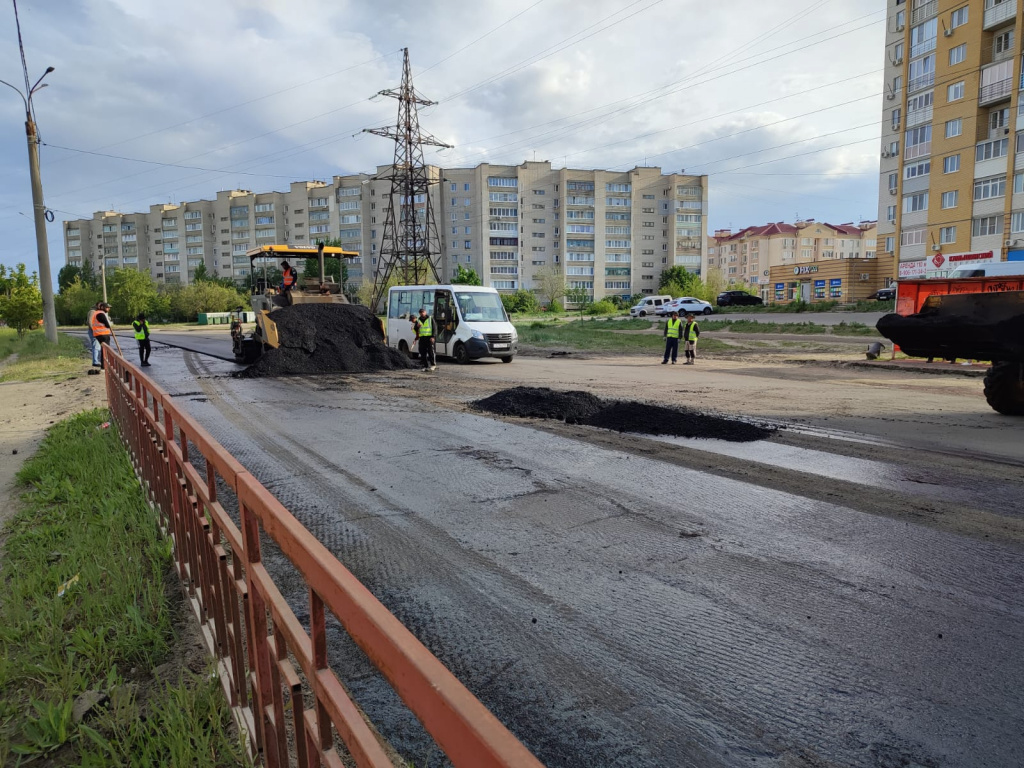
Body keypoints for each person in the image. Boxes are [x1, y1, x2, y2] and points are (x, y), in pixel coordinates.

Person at [413, 307, 436, 371]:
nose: (422, 314)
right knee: (422, 352)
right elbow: (415, 329)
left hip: (429, 338)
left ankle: (433, 365)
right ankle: (425, 366)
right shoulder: (418, 320)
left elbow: (434, 328)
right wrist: (417, 327)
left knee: (431, 352)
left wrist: (433, 336)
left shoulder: (430, 318)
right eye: (421, 313)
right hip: (422, 338)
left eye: (423, 312)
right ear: (419, 314)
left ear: (425, 312)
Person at [91, 302, 113, 369]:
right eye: (107, 308)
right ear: (103, 307)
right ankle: (104, 366)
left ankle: (104, 365)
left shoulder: (96, 313)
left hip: (98, 334)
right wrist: (110, 323)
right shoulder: (100, 314)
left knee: (104, 349)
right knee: (105, 350)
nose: (108, 309)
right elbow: (107, 325)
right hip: (103, 334)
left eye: (109, 308)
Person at [86, 302, 102, 368]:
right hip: (93, 331)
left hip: (95, 331)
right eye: (99, 305)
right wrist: (94, 330)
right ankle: (95, 361)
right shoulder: (93, 312)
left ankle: (96, 361)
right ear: (96, 305)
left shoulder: (96, 312)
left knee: (96, 346)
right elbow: (89, 322)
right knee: (96, 346)